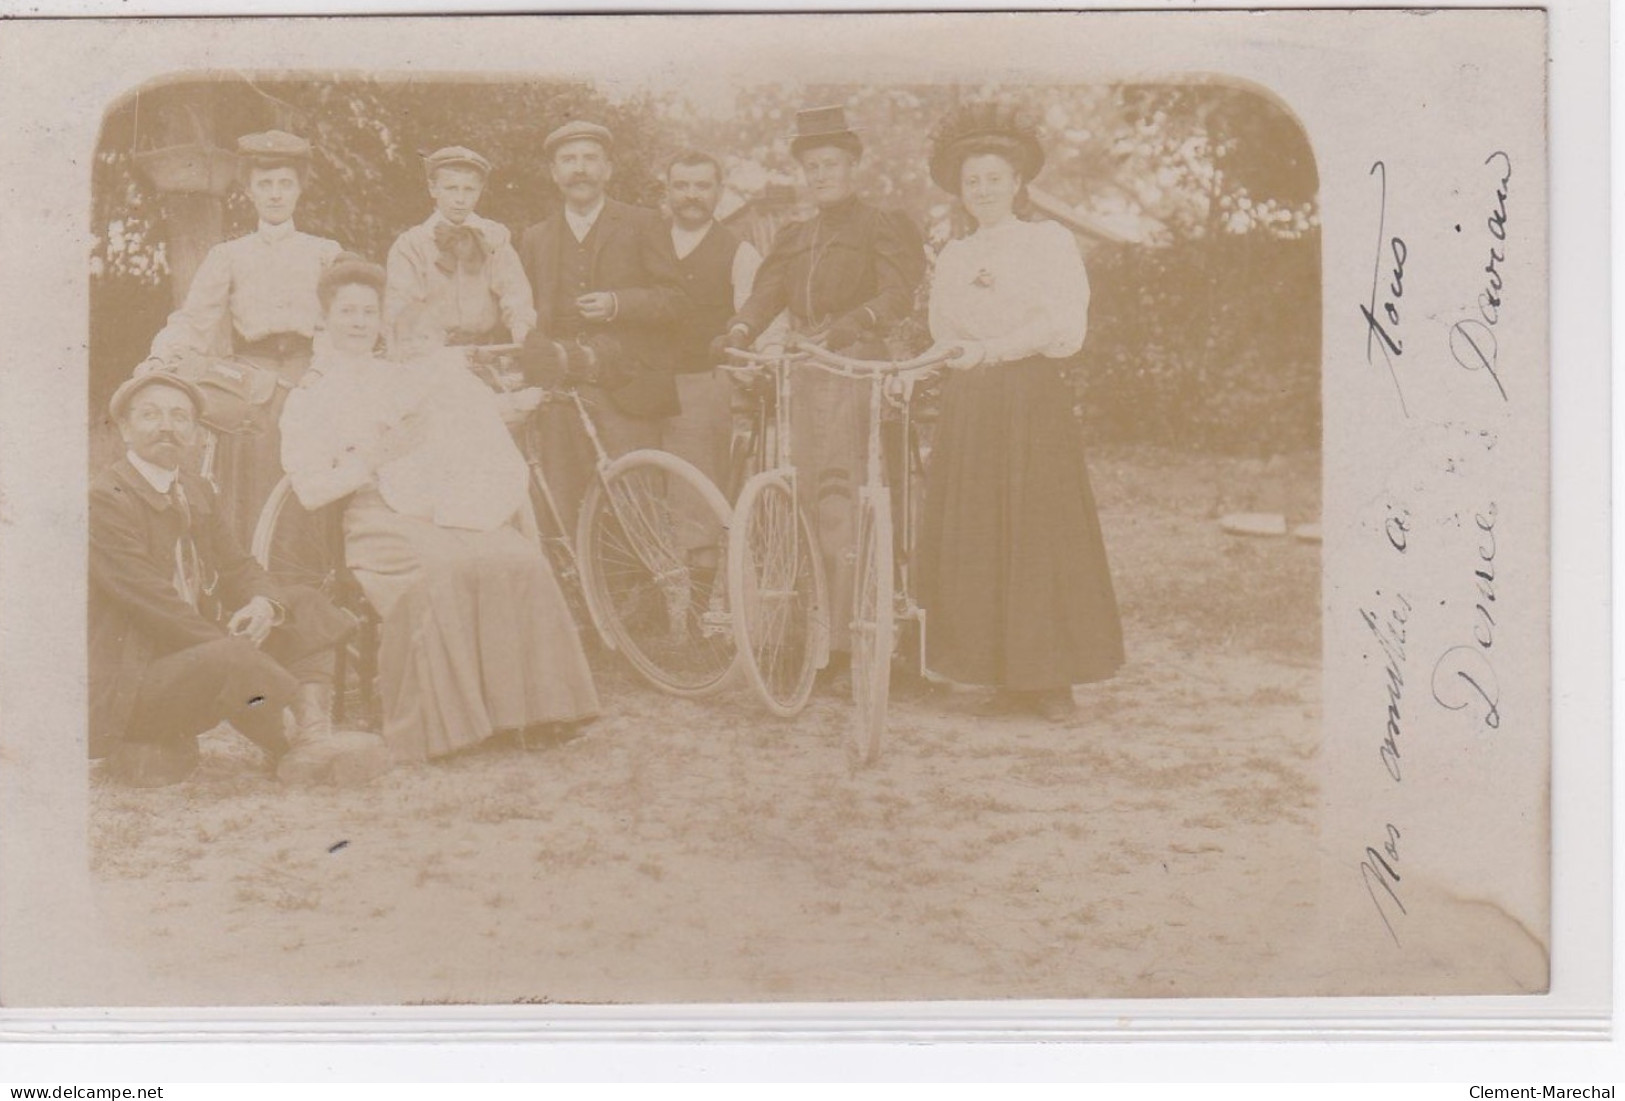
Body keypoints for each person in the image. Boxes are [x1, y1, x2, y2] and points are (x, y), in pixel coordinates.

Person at [279, 256, 599, 763]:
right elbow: (310, 489)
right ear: (325, 319)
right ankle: (444, 726)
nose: (359, 322)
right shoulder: (311, 395)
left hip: (442, 504)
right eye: (347, 312)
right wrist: (373, 460)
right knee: (444, 571)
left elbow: (461, 428)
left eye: (368, 312)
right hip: (373, 515)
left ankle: (536, 713)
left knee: (519, 559)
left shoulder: (404, 374)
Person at [916, 104, 1125, 721]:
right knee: (979, 529)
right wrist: (934, 363)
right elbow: (944, 327)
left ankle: (1050, 677)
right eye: (971, 180)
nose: (982, 189)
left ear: (1017, 183)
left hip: (1030, 398)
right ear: (960, 189)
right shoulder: (953, 254)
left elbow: (1060, 323)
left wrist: (992, 350)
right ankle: (998, 672)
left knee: (1038, 530)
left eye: (993, 178)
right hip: (971, 404)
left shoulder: (1047, 241)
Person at [90, 372, 388, 787]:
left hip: (191, 657)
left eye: (180, 418)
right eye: (150, 415)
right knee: (232, 656)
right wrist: (240, 651)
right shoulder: (105, 499)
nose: (166, 427)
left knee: (300, 604)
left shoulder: (193, 490)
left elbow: (237, 566)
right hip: (133, 684)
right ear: (124, 428)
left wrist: (264, 605)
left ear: (194, 432)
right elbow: (154, 604)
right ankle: (296, 741)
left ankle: (311, 739)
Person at [711, 105, 926, 683]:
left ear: (853, 165)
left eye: (831, 163)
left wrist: (853, 326)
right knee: (803, 499)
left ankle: (857, 641)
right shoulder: (795, 235)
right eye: (812, 167)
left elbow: (899, 292)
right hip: (803, 374)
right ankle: (814, 637)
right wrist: (739, 330)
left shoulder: (881, 224)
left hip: (854, 369)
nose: (822, 175)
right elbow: (767, 294)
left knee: (846, 500)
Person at [140, 130, 343, 549]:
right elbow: (194, 320)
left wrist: (320, 371)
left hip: (315, 372)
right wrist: (161, 358)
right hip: (253, 377)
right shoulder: (229, 256)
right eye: (264, 184)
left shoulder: (323, 252)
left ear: (299, 188)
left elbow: (335, 324)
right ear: (248, 189)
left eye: (285, 184)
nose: (275, 194)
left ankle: (318, 577)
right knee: (257, 443)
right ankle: (253, 576)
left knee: (328, 445)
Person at [517, 120, 688, 529]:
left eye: (590, 159)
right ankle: (575, 592)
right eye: (569, 160)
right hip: (561, 396)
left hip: (627, 391)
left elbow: (676, 302)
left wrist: (618, 304)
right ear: (554, 173)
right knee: (562, 507)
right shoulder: (535, 238)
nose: (580, 169)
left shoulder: (643, 223)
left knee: (637, 511)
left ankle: (644, 594)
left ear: (608, 169)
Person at [660, 148, 763, 558]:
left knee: (697, 498)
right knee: (640, 489)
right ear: (667, 191)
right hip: (640, 387)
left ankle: (696, 609)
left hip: (702, 384)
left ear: (719, 191)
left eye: (702, 186)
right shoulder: (646, 240)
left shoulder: (739, 253)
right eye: (681, 186)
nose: (691, 195)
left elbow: (752, 321)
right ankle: (644, 600)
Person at [383, 145, 536, 350]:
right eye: (451, 189)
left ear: (480, 191)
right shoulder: (411, 245)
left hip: (487, 351)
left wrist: (522, 335)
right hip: (431, 352)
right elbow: (401, 307)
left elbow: (516, 295)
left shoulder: (494, 238)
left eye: (469, 189)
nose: (460, 199)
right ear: (433, 189)